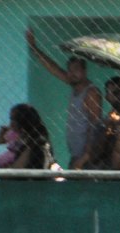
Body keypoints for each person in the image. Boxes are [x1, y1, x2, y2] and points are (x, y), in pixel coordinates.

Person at [26, 28, 102, 169]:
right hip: (76, 154)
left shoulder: (91, 92)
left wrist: (86, 156)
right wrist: (34, 48)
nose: (72, 73)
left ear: (84, 72)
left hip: (86, 158)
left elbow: (95, 126)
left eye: (76, 70)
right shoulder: (75, 87)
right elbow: (53, 68)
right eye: (70, 70)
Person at [7, 104, 56, 170]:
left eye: (13, 119)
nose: (11, 124)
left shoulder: (36, 141)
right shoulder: (27, 139)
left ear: (22, 121)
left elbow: (17, 168)